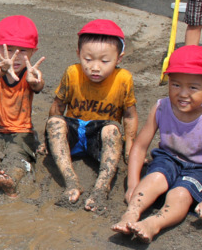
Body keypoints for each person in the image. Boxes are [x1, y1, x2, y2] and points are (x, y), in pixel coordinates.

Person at [112, 45, 202, 243]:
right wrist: (133, 185)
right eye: (176, 85)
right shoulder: (161, 107)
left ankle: (154, 223)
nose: (183, 93)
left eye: (193, 87)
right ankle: (131, 213)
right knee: (154, 178)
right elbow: (140, 147)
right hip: (169, 159)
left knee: (179, 194)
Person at [45, 19, 138, 212]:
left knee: (112, 130)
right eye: (88, 59)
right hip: (75, 129)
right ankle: (71, 182)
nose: (95, 67)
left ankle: (101, 189)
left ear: (119, 58)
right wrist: (49, 139)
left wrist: (129, 147)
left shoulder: (123, 79)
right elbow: (58, 106)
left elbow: (129, 115)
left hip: (100, 134)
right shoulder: (72, 73)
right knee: (54, 123)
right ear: (78, 53)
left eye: (104, 61)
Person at [0, 15, 45, 197]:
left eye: (23, 51)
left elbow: (39, 85)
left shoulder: (31, 73)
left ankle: (11, 178)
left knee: (18, 154)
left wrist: (34, 82)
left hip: (21, 130)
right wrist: (3, 69)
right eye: (9, 50)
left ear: (33, 52)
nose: (15, 57)